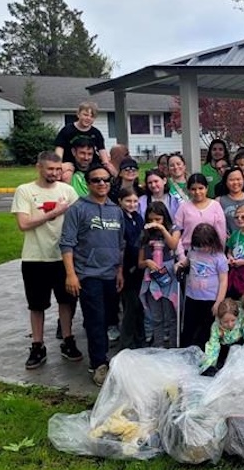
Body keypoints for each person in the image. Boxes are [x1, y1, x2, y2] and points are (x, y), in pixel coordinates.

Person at [12, 151, 80, 370]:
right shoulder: (25, 191)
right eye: (50, 169)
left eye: (57, 169)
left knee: (66, 301)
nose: (54, 173)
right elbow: (23, 224)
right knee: (36, 304)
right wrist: (54, 213)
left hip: (63, 257)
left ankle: (68, 340)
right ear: (39, 167)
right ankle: (37, 345)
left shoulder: (68, 191)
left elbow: (79, 220)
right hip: (35, 257)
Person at [60, 164, 125, 386]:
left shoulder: (115, 211)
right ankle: (98, 364)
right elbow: (66, 244)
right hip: (88, 275)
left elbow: (120, 243)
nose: (101, 184)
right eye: (96, 180)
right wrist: (71, 275)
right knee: (95, 320)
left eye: (106, 180)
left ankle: (105, 357)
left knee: (109, 319)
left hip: (111, 274)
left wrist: (119, 270)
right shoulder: (77, 209)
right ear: (88, 184)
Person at [138, 201, 181, 348]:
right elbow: (140, 262)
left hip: (169, 276)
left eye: (158, 219)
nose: (154, 223)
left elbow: (173, 245)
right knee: (156, 317)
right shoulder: (144, 234)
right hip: (152, 278)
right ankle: (158, 347)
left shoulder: (173, 229)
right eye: (151, 220)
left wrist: (162, 229)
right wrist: (147, 262)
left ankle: (174, 347)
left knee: (172, 316)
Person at [181, 223, 230, 350]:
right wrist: (180, 265)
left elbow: (224, 280)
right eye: (200, 245)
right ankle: (185, 351)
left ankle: (206, 356)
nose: (202, 248)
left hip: (210, 299)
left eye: (205, 245)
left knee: (207, 330)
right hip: (192, 297)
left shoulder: (219, 257)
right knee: (189, 327)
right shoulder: (193, 251)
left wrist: (218, 302)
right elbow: (187, 262)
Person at [116, 188, 146, 349]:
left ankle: (140, 339)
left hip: (139, 269)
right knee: (130, 306)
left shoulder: (138, 217)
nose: (132, 204)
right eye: (128, 201)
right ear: (120, 201)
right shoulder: (119, 218)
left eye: (135, 201)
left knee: (139, 307)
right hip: (126, 269)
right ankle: (126, 343)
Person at [199, 298, 244, 376]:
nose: (230, 324)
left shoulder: (242, 319)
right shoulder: (216, 327)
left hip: (239, 344)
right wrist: (209, 365)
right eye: (225, 322)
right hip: (225, 347)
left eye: (233, 320)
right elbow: (213, 346)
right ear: (220, 319)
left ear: (237, 317)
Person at [175, 173, 227, 256]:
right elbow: (176, 233)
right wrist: (181, 256)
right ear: (188, 190)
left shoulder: (215, 206)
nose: (197, 192)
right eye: (193, 189)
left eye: (201, 188)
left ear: (207, 188)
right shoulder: (183, 207)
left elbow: (221, 233)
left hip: (211, 253)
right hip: (188, 253)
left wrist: (219, 254)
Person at [54, 101, 111, 171]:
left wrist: (106, 164)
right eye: (85, 115)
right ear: (78, 114)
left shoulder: (96, 133)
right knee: (66, 175)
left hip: (91, 164)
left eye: (92, 116)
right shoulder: (67, 130)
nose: (88, 118)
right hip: (70, 163)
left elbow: (102, 150)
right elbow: (59, 149)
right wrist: (58, 165)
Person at [216, 167, 244, 233]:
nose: (235, 182)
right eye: (231, 180)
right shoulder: (219, 201)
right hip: (228, 241)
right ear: (226, 182)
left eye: (238, 179)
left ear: (243, 180)